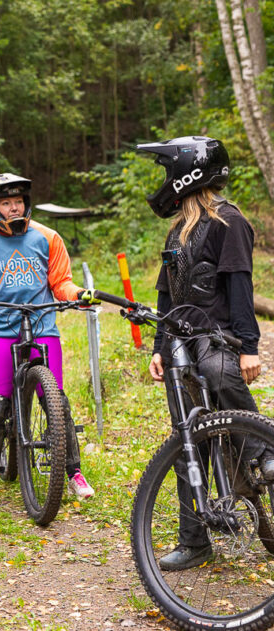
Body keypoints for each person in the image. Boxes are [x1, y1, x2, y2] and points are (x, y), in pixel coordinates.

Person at [138, 136, 271, 571]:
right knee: (186, 439)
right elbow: (165, 296)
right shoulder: (178, 229)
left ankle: (264, 453)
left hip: (219, 340)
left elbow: (239, 285)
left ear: (188, 171)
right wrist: (160, 346)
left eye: (166, 171)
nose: (164, 183)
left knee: (219, 375)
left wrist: (249, 347)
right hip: (181, 344)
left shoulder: (227, 221)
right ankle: (194, 541)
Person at [0, 173, 96, 506]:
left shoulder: (47, 237)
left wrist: (79, 294)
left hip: (42, 325)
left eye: (18, 202)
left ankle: (73, 472)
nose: (14, 208)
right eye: (6, 203)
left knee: (55, 399)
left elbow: (62, 283)